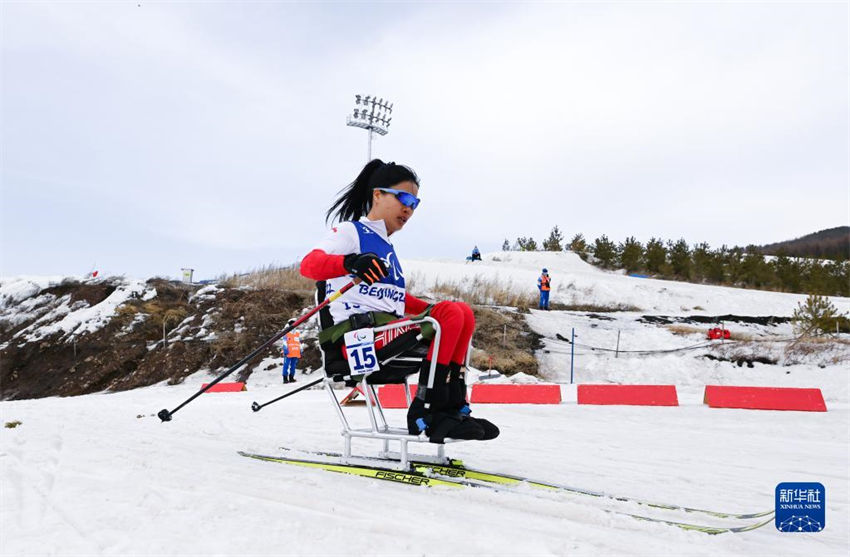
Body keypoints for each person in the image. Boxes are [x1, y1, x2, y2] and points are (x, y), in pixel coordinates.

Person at [299, 159, 498, 443]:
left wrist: (433, 311)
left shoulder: (388, 247)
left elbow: (396, 299)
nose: (409, 208)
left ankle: (453, 407)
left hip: (385, 331)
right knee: (451, 316)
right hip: (355, 340)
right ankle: (427, 410)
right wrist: (351, 262)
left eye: (415, 203)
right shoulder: (351, 232)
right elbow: (309, 265)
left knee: (461, 312)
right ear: (377, 195)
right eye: (404, 198)